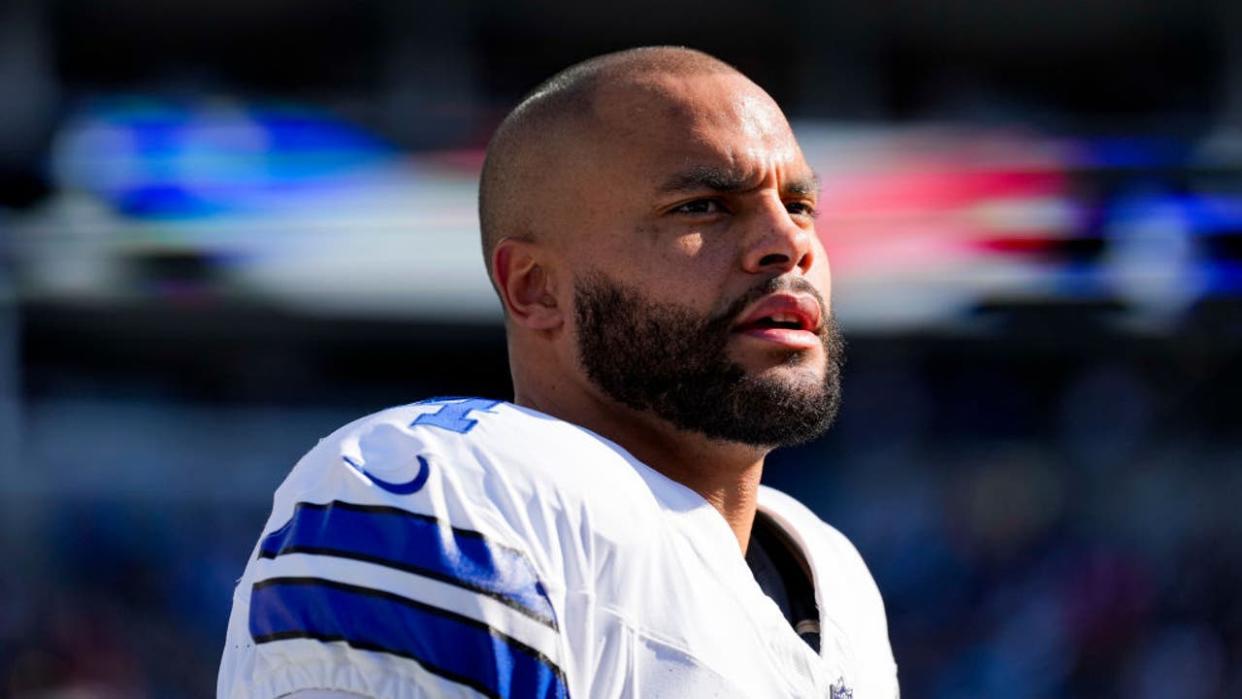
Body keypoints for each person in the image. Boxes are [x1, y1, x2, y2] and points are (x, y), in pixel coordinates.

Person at [218, 46, 898, 698]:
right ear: (537, 287)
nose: (791, 244)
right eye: (704, 206)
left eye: (800, 205)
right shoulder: (445, 496)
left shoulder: (835, 579)